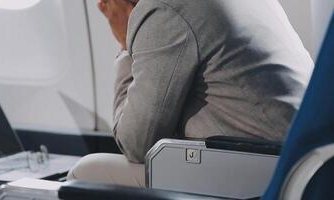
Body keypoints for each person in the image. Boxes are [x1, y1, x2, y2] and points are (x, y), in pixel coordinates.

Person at [67, 0, 313, 187]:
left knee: (86, 174)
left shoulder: (164, 10)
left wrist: (124, 44)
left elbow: (135, 145)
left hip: (259, 173)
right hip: (305, 160)